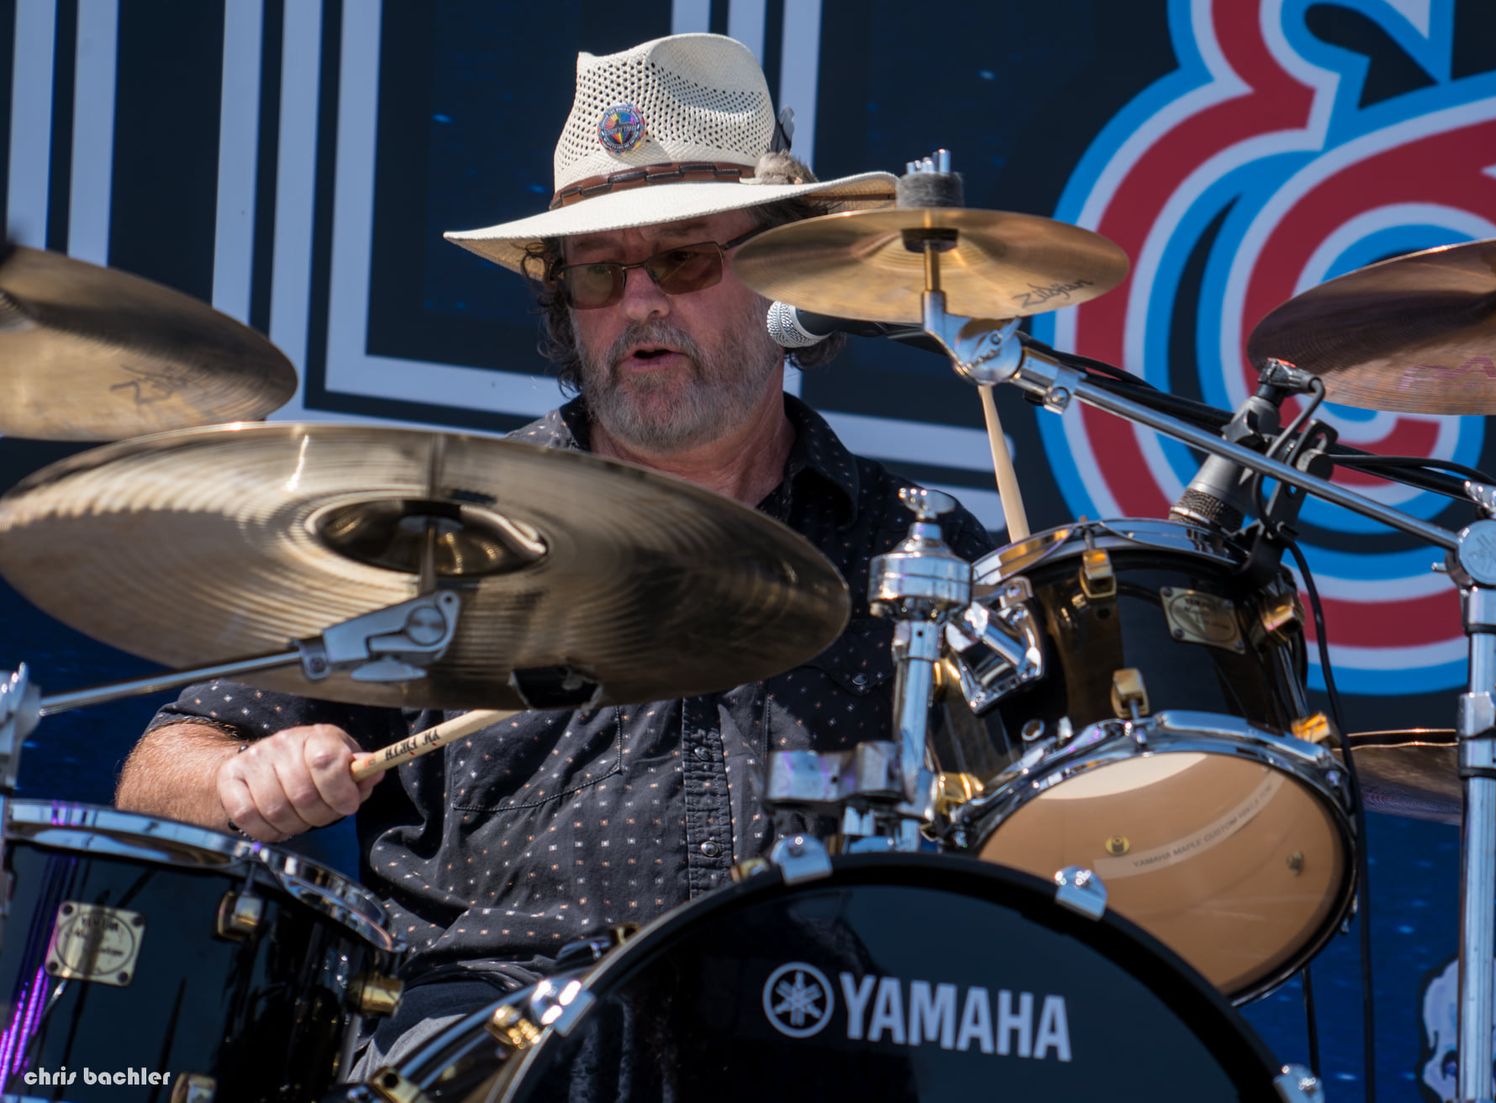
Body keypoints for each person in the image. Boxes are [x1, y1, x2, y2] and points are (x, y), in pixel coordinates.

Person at [115, 32, 993, 1077]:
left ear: (785, 274)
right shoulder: (445, 526)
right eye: (598, 271)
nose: (640, 302)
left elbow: (1047, 831)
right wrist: (245, 774)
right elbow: (159, 768)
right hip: (496, 1040)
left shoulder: (917, 547)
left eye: (683, 258)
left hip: (819, 1038)